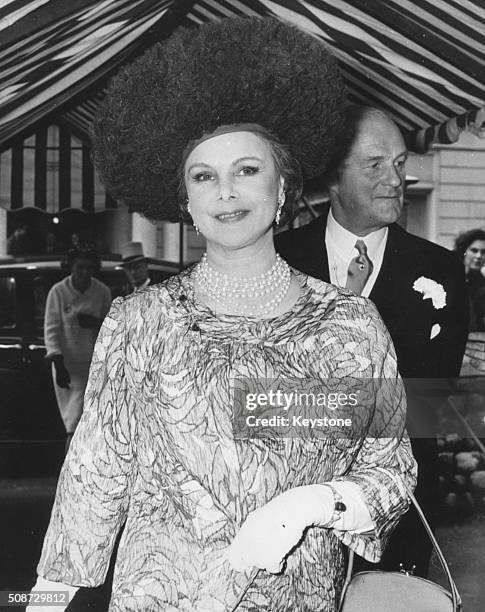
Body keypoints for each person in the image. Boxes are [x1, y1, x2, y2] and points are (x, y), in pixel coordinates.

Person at [29, 19, 415, 612]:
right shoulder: (140, 323)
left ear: (283, 187)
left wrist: (313, 504)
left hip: (296, 600)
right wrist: (46, 602)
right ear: (186, 200)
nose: (226, 193)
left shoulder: (349, 328)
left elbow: (390, 472)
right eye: (204, 176)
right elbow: (92, 481)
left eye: (248, 170)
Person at [276, 104, 468, 577]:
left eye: (400, 163)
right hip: (286, 517)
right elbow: (255, 401)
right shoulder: (279, 263)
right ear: (334, 178)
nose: (396, 179)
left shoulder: (439, 271)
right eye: (375, 165)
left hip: (395, 518)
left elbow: (427, 403)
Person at [44, 248, 111, 449]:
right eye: (80, 267)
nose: (84, 272)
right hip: (68, 367)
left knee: (89, 421)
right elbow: (51, 328)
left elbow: (111, 328)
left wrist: (96, 322)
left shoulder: (102, 292)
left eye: (89, 268)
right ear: (71, 267)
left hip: (94, 366)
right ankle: (71, 473)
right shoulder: (58, 292)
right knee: (73, 422)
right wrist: (57, 361)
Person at [455, 229, 485, 331]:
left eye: (483, 252)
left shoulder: (480, 281)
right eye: (474, 250)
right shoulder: (451, 273)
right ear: (464, 251)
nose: (479, 256)